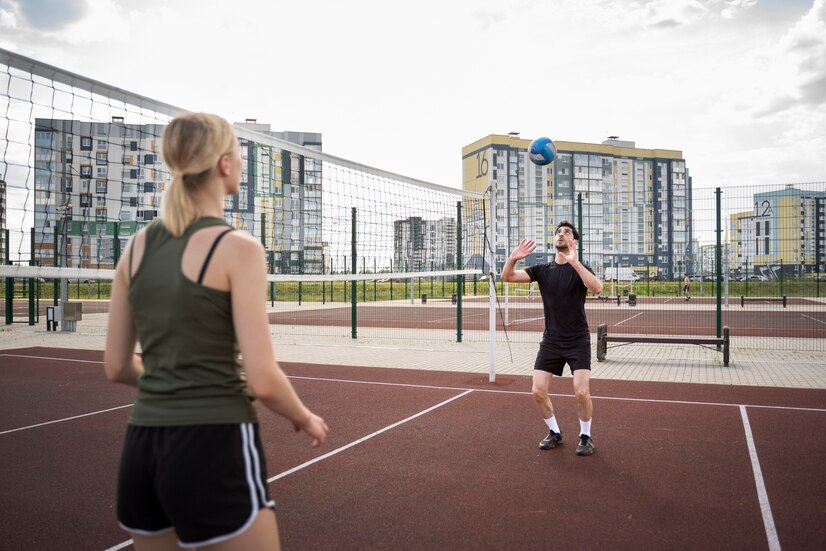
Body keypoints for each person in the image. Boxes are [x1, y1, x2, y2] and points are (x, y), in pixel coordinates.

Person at [103, 113, 329, 550]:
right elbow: (263, 379)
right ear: (225, 164)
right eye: (240, 157)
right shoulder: (238, 248)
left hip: (141, 450)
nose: (241, 166)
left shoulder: (137, 247)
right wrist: (304, 417)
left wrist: (174, 381)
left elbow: (115, 365)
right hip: (212, 443)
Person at [501, 221, 604, 456]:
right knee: (537, 391)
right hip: (551, 341)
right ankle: (555, 433)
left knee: (581, 391)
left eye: (566, 232)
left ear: (574, 242)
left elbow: (597, 288)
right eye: (558, 232)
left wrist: (575, 263)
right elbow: (507, 277)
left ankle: (586, 436)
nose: (561, 234)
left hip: (577, 339)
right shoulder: (543, 270)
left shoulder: (581, 268)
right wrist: (513, 257)